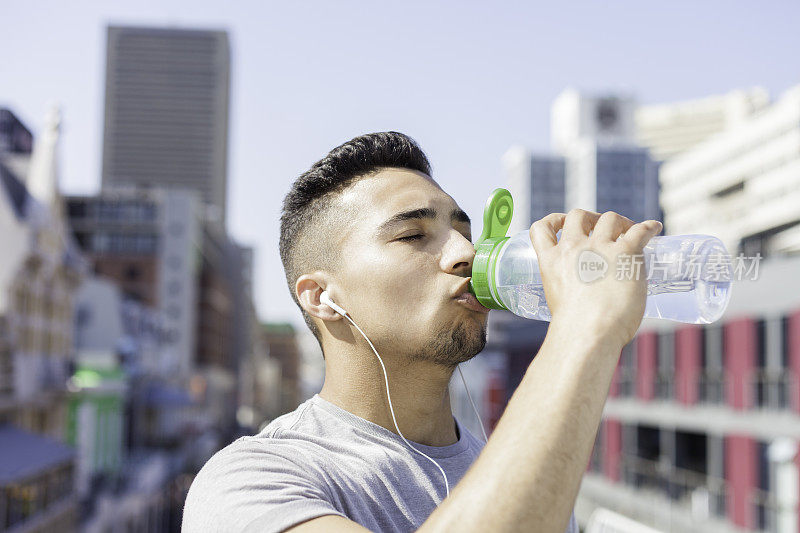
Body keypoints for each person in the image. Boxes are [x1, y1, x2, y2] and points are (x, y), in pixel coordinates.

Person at [182, 132, 662, 533]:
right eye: (413, 236)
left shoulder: (524, 471)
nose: (465, 254)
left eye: (465, 233)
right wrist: (582, 328)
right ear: (322, 297)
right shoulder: (252, 483)